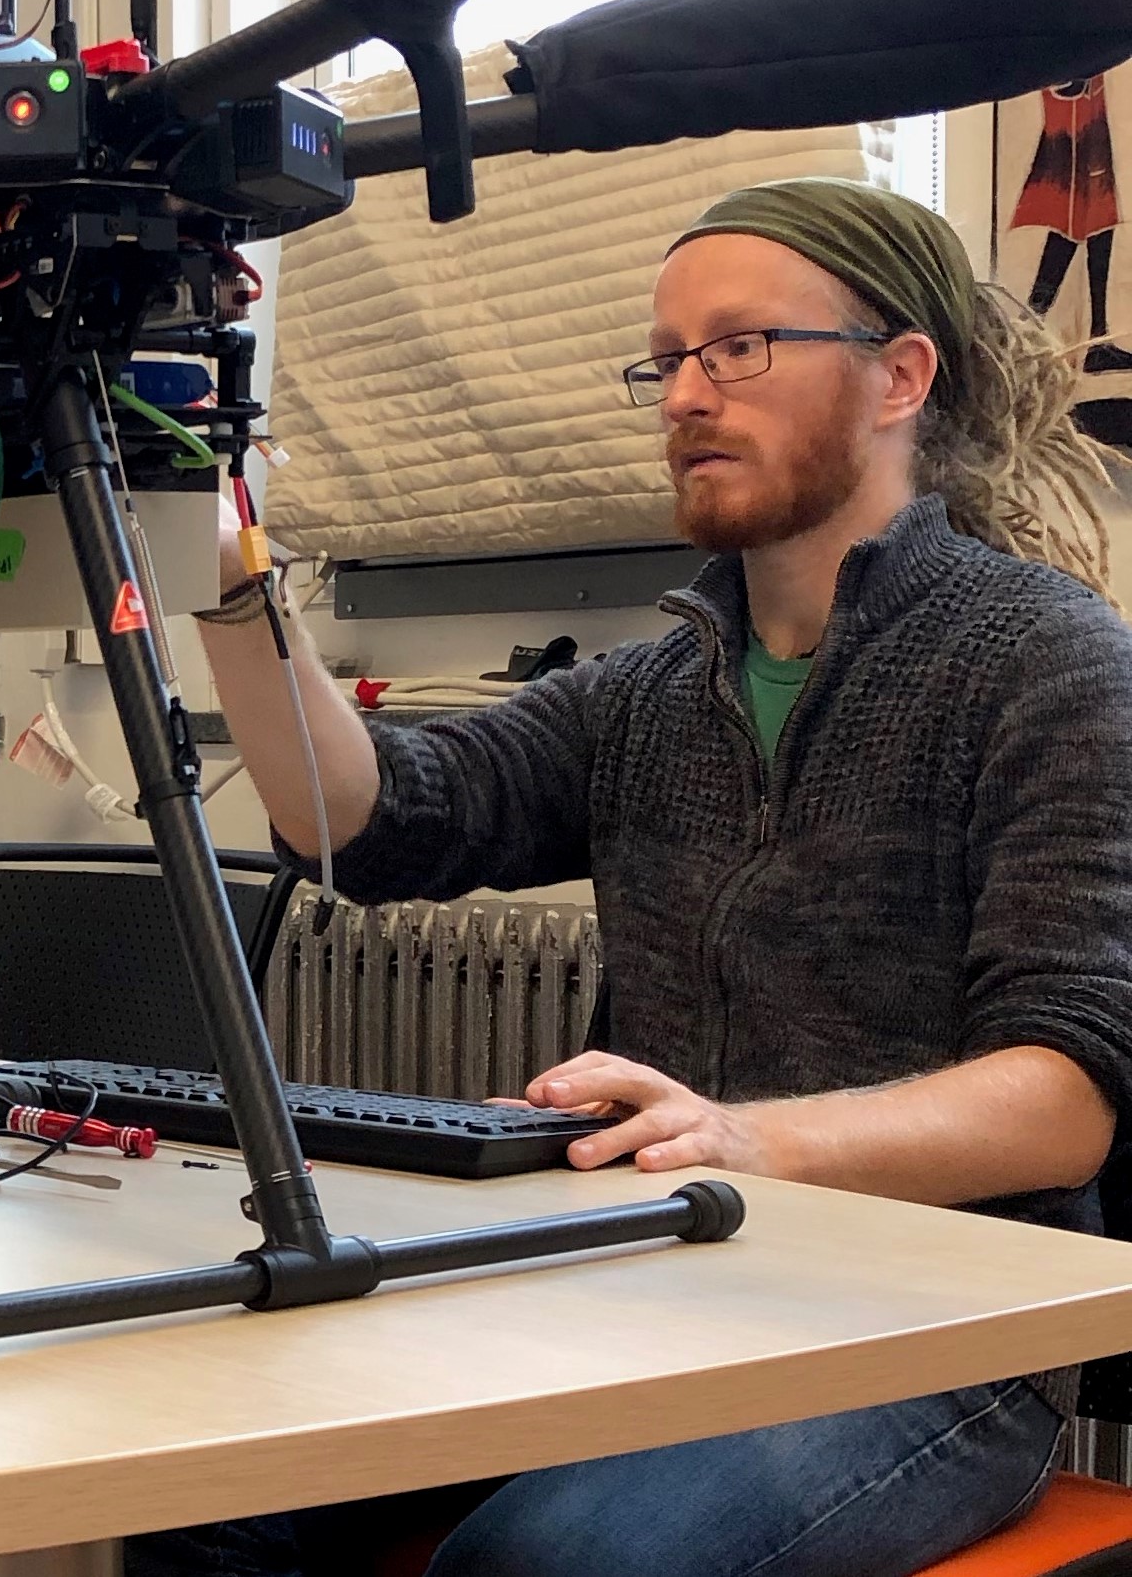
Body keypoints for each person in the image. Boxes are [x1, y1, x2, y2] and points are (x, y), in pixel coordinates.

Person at [163, 177, 1132, 1577]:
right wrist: (224, 566)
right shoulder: (649, 690)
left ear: (899, 376)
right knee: (196, 1487)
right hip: (657, 1289)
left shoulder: (1048, 664)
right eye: (667, 358)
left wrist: (746, 1141)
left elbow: (1064, 1103)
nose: (686, 393)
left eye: (740, 347)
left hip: (935, 1340)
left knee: (551, 1568)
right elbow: (364, 821)